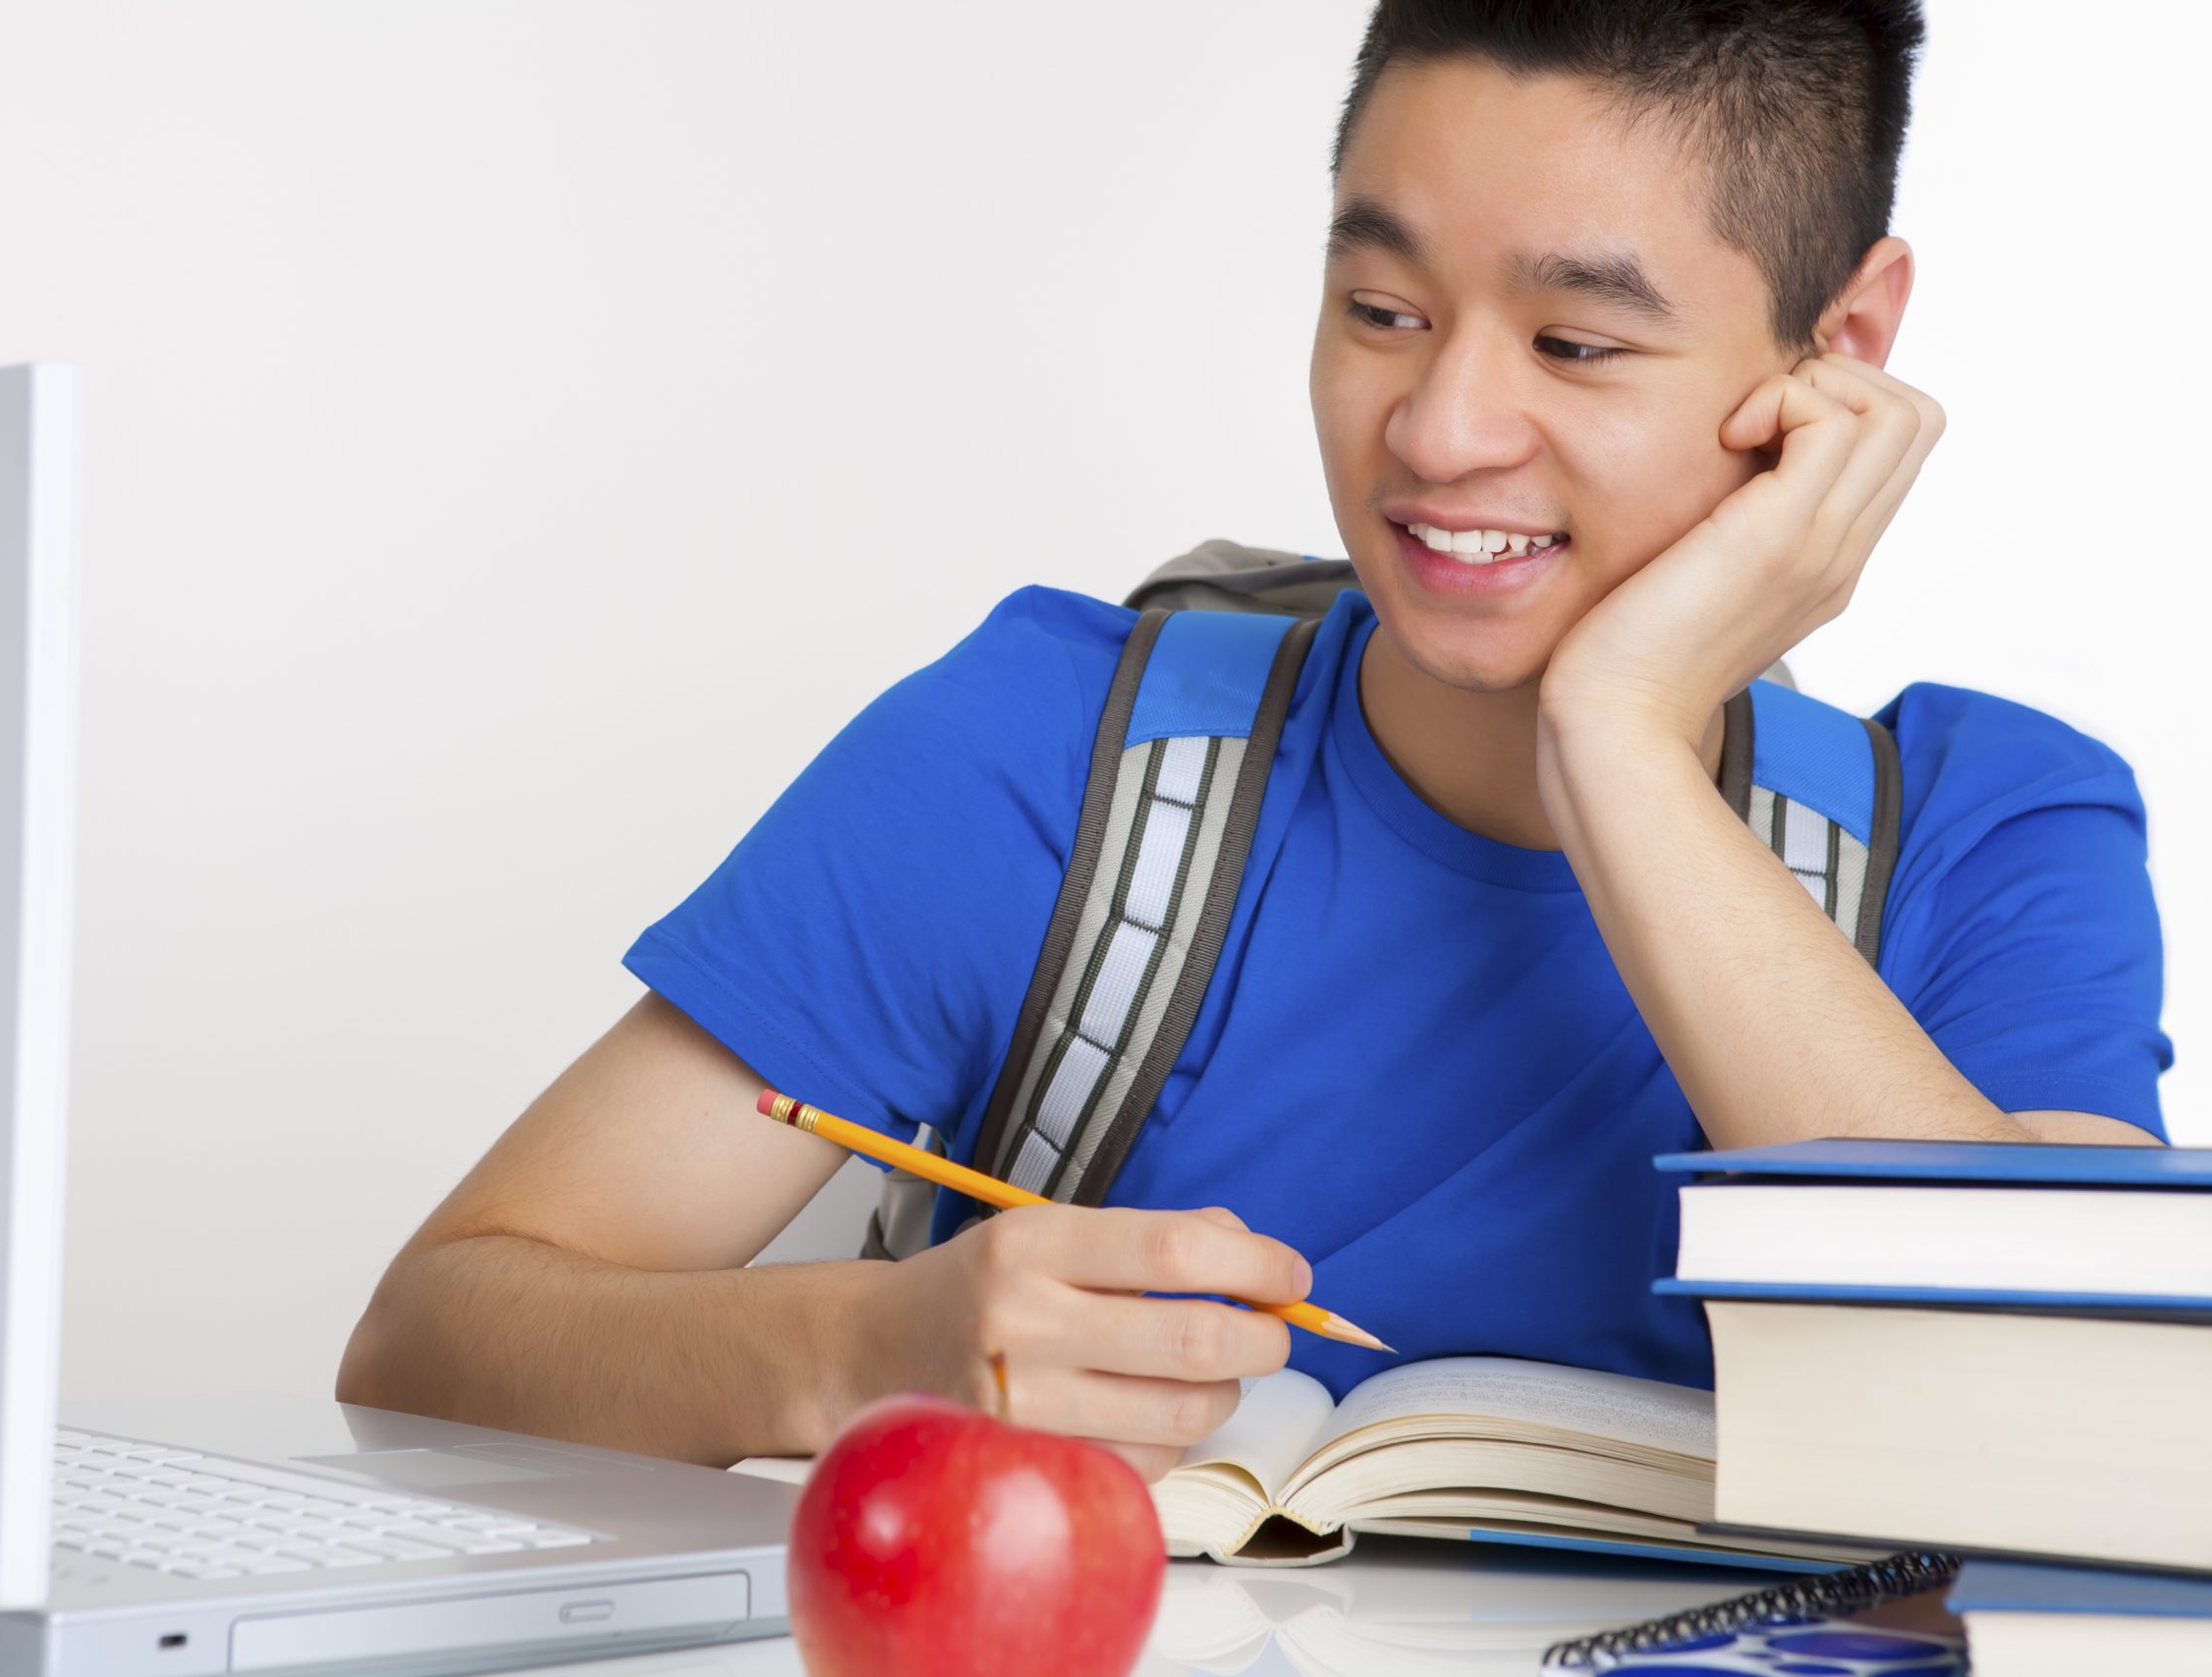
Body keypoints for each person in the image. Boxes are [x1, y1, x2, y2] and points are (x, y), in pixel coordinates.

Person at [337, 0, 2173, 1485]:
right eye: (1381, 311)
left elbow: (2073, 1435)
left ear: (1839, 348)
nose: (1440, 430)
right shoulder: (1047, 750)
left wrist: (1615, 734)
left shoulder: (1993, 831)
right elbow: (436, 1339)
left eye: (1577, 344)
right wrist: (863, 1350)